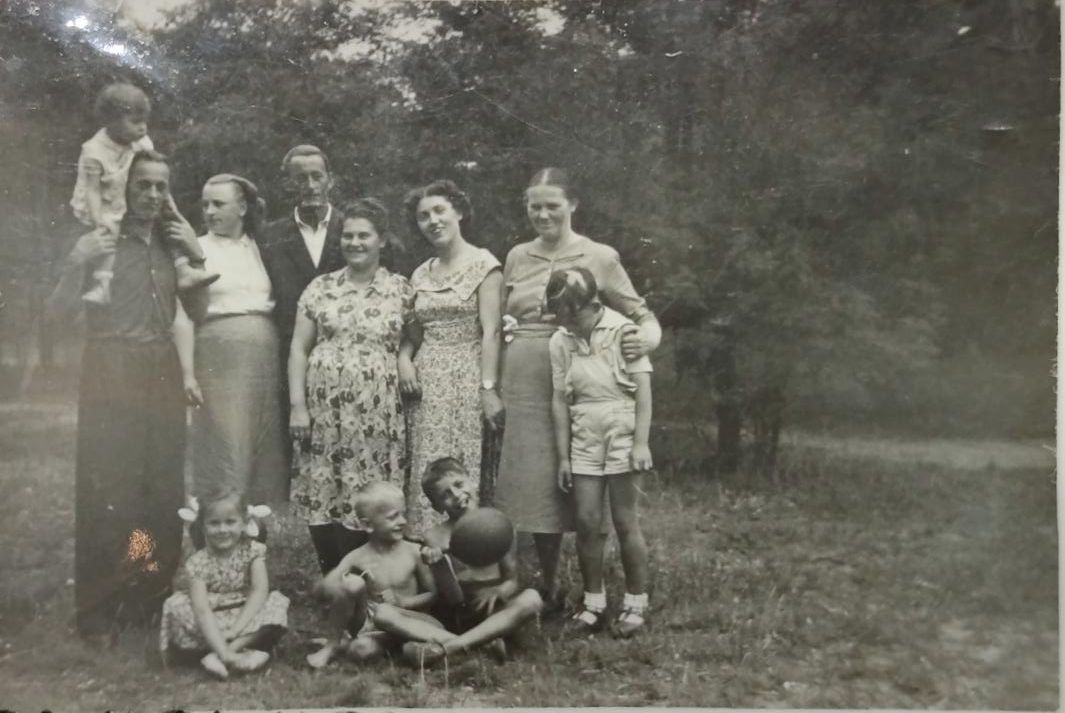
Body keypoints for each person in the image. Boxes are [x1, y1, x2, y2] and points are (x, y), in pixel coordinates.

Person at [48, 149, 211, 646]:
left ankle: (145, 596)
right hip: (110, 367)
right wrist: (75, 263)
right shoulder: (100, 240)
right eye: (144, 185)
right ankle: (97, 609)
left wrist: (197, 254)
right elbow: (55, 316)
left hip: (160, 369)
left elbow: (199, 310)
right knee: (108, 491)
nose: (154, 195)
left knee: (158, 490)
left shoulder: (169, 241)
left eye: (162, 186)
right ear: (124, 187)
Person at [493, 168, 662, 612]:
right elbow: (503, 314)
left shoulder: (600, 256)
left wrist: (645, 341)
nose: (543, 214)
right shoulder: (516, 255)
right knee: (530, 482)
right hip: (523, 382)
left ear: (572, 205)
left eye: (552, 205)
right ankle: (542, 583)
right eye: (534, 206)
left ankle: (581, 587)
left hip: (579, 381)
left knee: (571, 484)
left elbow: (641, 314)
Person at [288, 198, 415, 575]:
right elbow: (298, 348)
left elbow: (414, 338)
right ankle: (332, 576)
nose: (355, 242)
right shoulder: (321, 287)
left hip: (376, 411)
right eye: (348, 235)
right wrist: (298, 406)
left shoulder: (400, 289)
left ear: (382, 240)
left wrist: (404, 357)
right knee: (324, 486)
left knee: (370, 487)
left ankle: (370, 575)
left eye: (364, 235)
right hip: (326, 410)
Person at [546, 268, 653, 637]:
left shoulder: (623, 331)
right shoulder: (560, 341)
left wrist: (640, 443)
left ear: (591, 305)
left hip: (621, 422)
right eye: (560, 315)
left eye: (572, 315)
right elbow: (559, 400)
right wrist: (564, 457)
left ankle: (636, 604)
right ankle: (594, 603)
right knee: (587, 521)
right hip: (583, 428)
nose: (566, 322)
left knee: (625, 520)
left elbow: (643, 391)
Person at [172, 174, 287, 505]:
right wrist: (187, 372)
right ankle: (218, 519)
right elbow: (181, 314)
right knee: (224, 439)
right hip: (218, 355)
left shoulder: (261, 247)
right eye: (205, 204)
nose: (209, 211)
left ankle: (256, 526)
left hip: (263, 355)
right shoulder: (195, 249)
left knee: (262, 441)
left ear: (243, 208)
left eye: (219, 204)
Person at [400, 180, 503, 532]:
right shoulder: (420, 273)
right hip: (426, 383)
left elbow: (491, 331)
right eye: (423, 216)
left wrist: (488, 388)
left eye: (440, 210)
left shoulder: (484, 265)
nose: (433, 221)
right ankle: (426, 544)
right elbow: (413, 334)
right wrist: (404, 360)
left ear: (458, 211)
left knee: (463, 462)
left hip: (467, 376)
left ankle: (472, 544)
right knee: (427, 462)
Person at [70, 82, 216, 305]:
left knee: (170, 220)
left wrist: (169, 203)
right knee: (108, 232)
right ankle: (102, 284)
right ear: (111, 121)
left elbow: (155, 169)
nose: (143, 128)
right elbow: (92, 190)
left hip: (125, 191)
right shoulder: (93, 150)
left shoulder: (141, 142)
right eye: (136, 122)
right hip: (104, 201)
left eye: (145, 121)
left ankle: (184, 270)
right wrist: (98, 220)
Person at [404, 457, 543, 667]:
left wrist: (499, 591)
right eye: (445, 495)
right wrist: (437, 563)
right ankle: (483, 642)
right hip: (460, 609)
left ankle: (452, 647)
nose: (456, 494)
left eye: (459, 484)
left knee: (532, 599)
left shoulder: (498, 524)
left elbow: (511, 579)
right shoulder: (435, 537)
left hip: (493, 607)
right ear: (437, 507)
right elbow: (447, 596)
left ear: (471, 481)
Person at [260, 144, 346, 454]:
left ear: (330, 180)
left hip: (347, 356)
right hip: (291, 357)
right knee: (296, 447)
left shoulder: (353, 230)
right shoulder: (269, 236)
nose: (309, 186)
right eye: (300, 178)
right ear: (287, 184)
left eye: (316, 176)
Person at [305, 482, 442, 668]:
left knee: (410, 642)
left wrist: (404, 602)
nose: (402, 521)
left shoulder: (414, 552)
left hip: (411, 622)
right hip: (376, 629)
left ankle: (408, 648)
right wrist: (330, 585)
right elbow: (323, 589)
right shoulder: (358, 556)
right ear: (367, 525)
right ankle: (335, 643)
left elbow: (433, 594)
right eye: (393, 517)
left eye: (403, 514)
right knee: (360, 648)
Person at [160, 490, 289, 679]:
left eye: (230, 522)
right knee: (176, 605)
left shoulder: (253, 552)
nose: (222, 529)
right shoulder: (198, 562)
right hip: (212, 617)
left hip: (243, 611)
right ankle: (228, 653)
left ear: (244, 523)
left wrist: (235, 629)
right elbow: (202, 609)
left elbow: (259, 591)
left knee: (276, 602)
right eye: (214, 523)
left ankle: (223, 652)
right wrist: (224, 651)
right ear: (202, 527)